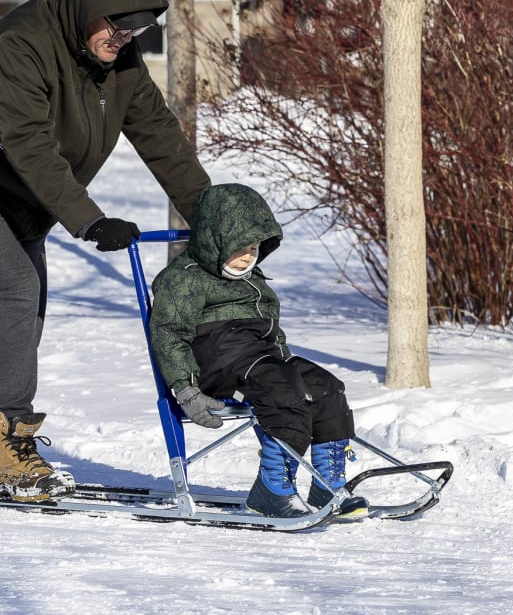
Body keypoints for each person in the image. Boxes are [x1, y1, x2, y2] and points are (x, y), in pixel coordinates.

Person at [0, 0, 210, 503]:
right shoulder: (23, 42)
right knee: (15, 298)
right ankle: (12, 452)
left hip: (24, 197)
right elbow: (28, 144)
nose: (122, 40)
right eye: (115, 26)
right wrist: (89, 221)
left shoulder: (117, 61)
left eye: (135, 31)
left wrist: (215, 217)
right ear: (85, 4)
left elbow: (160, 138)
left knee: (19, 317)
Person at [148, 183, 369, 520]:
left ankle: (328, 484)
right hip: (216, 366)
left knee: (326, 387)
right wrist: (187, 390)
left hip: (261, 362)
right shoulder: (182, 280)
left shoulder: (254, 279)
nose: (249, 255)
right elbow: (169, 334)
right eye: (240, 247)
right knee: (284, 392)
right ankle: (271, 491)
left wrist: (291, 369)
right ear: (215, 242)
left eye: (253, 247)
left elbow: (271, 332)